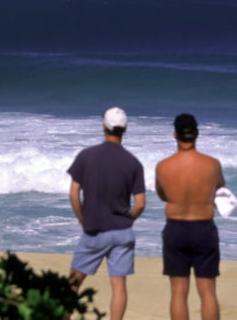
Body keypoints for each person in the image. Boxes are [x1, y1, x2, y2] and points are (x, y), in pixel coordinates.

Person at [67, 107, 146, 320]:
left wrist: (82, 219)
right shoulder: (133, 162)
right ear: (124, 130)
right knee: (119, 285)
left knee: (73, 283)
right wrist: (127, 220)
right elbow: (140, 204)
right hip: (122, 232)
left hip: (95, 230)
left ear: (104, 127)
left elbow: (74, 194)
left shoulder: (86, 156)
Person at [155, 113, 225, 320]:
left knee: (178, 292)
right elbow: (220, 187)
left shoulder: (163, 166)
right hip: (203, 228)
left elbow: (163, 195)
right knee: (208, 291)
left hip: (176, 229)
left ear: (175, 134)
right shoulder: (212, 164)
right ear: (197, 134)